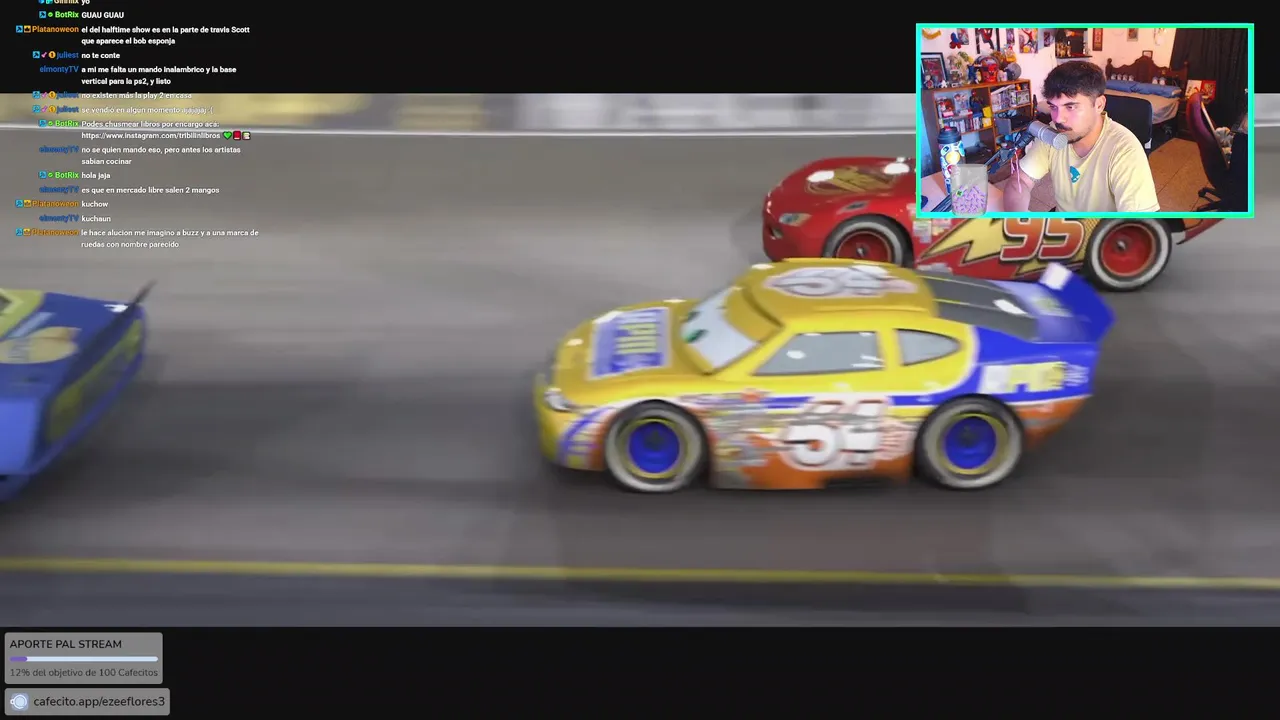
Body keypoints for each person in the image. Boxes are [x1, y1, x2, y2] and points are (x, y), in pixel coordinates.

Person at [1002, 61, 1160, 213]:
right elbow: (1020, 181)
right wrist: (1018, 219)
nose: (1058, 119)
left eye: (1070, 107)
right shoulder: (1053, 133)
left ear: (1099, 105)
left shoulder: (1125, 151)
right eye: (1053, 107)